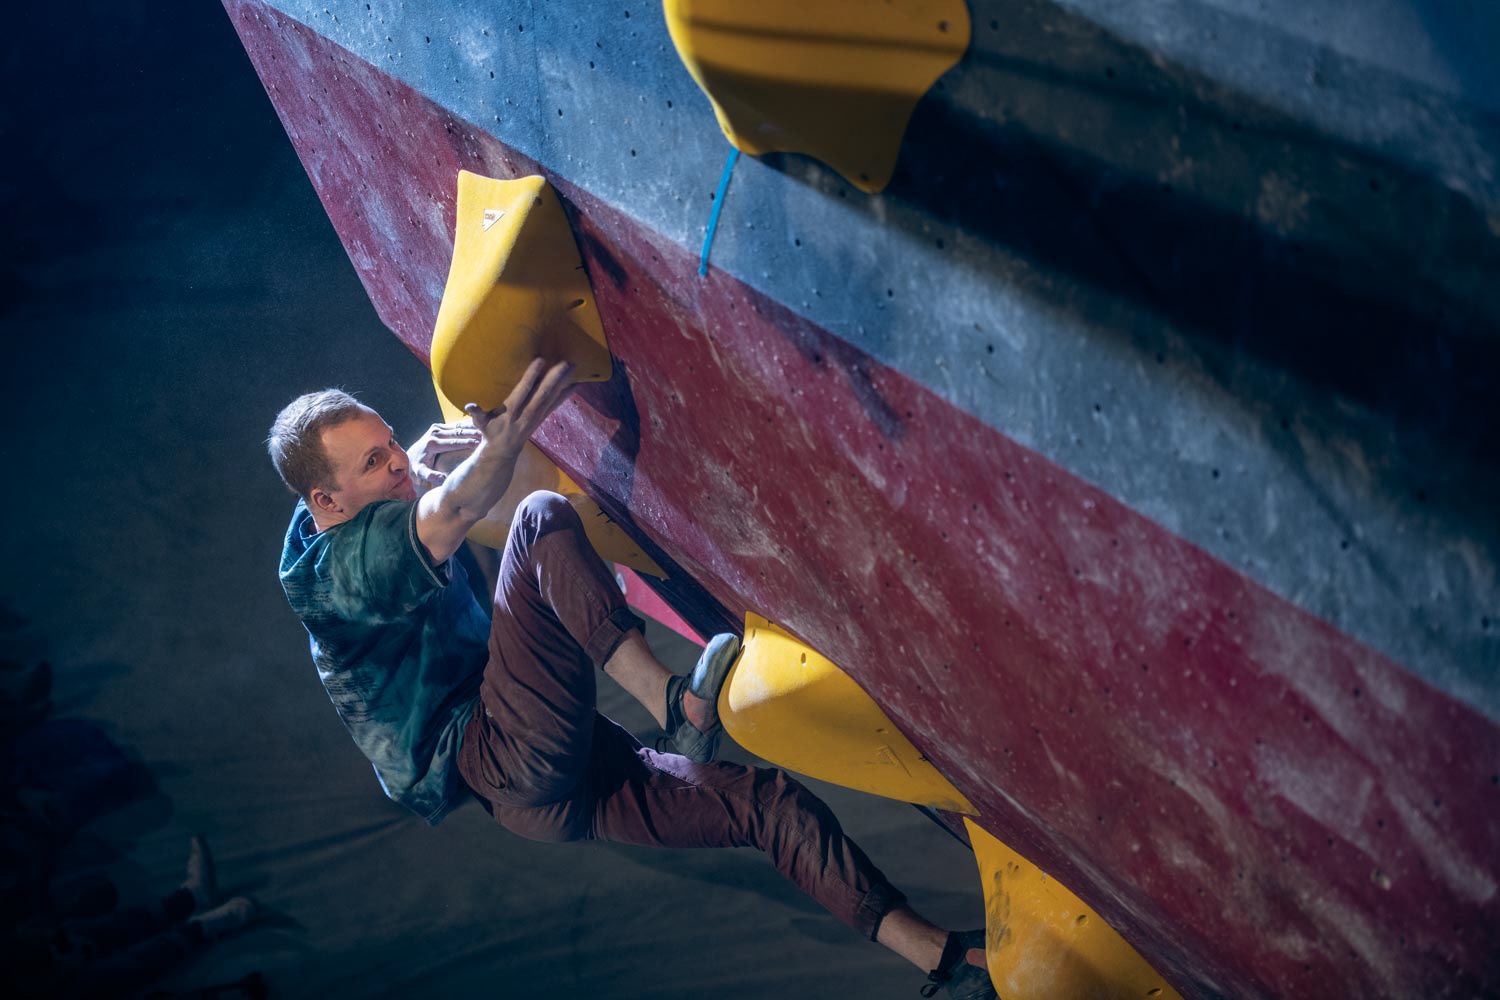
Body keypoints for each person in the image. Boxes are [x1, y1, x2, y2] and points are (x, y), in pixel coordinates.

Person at [268, 359, 996, 999]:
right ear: (324, 502)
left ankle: (949, 963)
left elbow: (418, 498)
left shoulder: (352, 513)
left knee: (767, 806)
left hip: (544, 792)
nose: (398, 463)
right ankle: (672, 706)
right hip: (498, 751)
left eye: (390, 443)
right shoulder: (334, 578)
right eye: (375, 463)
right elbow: (452, 509)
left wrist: (415, 467)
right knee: (539, 519)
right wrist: (499, 449)